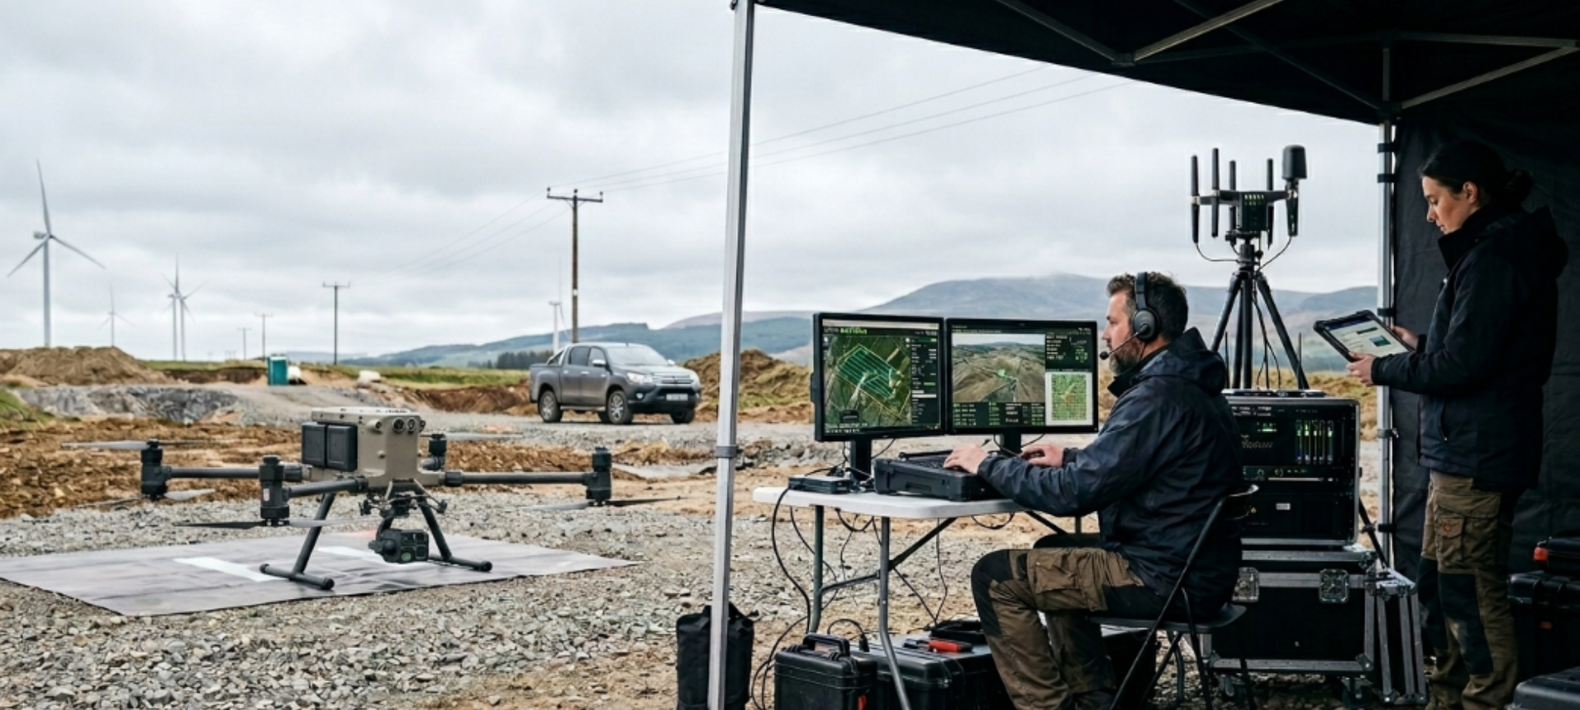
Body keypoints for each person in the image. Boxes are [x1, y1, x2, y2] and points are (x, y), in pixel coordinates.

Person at [943, 272, 1243, 710]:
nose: (1105, 334)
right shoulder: (1188, 386)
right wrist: (1070, 457)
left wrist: (985, 463)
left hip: (1163, 579)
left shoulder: (1155, 397)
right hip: (1195, 570)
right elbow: (1125, 464)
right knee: (1049, 550)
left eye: (1112, 322)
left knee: (995, 576)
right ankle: (1095, 700)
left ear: (1143, 326)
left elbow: (1071, 496)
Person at [1347, 140, 1568, 710]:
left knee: (1472, 593)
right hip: (1464, 455)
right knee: (1443, 589)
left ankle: (1485, 702)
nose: (1428, 214)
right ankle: (1446, 699)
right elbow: (1477, 349)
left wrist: (1384, 367)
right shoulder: (1495, 250)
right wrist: (1418, 345)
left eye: (1434, 200)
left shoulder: (1496, 256)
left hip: (1477, 458)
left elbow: (1464, 365)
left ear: (1469, 193)